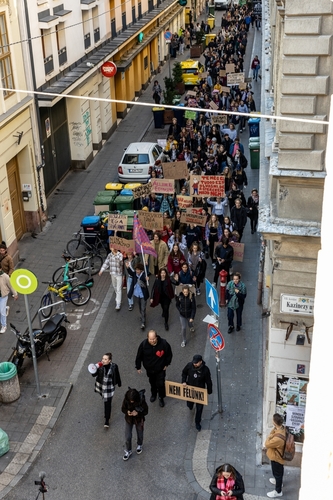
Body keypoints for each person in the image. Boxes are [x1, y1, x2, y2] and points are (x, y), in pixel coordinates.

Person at [135, 329, 173, 407]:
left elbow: (169, 354)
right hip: (149, 369)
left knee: (161, 384)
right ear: (147, 338)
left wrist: (166, 364)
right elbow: (139, 356)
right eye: (150, 339)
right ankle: (154, 394)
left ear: (156, 337)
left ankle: (161, 397)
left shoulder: (163, 344)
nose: (152, 341)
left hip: (160, 369)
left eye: (153, 339)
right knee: (152, 383)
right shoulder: (143, 345)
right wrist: (138, 367)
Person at [181, 354, 212, 431]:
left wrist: (209, 390)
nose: (195, 364)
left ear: (200, 362)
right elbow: (184, 373)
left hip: (200, 391)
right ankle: (190, 405)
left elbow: (208, 381)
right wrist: (183, 381)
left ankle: (197, 422)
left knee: (199, 409)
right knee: (190, 403)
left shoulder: (205, 370)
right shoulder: (189, 366)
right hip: (190, 388)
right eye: (194, 362)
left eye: (196, 363)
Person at [92, 352, 122, 428]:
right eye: (102, 358)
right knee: (104, 398)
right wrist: (94, 369)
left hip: (109, 387)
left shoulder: (114, 366)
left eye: (105, 359)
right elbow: (94, 375)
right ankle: (104, 399)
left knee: (107, 403)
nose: (103, 360)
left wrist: (119, 382)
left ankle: (107, 419)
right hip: (101, 386)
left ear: (110, 361)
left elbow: (117, 374)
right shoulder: (99, 366)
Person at [121, 387, 148, 461]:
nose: (131, 401)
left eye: (132, 400)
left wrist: (138, 413)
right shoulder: (126, 400)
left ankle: (139, 444)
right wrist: (127, 412)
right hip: (129, 419)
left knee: (140, 433)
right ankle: (128, 450)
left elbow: (146, 411)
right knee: (127, 436)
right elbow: (123, 408)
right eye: (130, 400)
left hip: (138, 419)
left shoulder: (141, 400)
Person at [265, 413, 286, 498]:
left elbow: (267, 444)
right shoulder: (281, 428)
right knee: (278, 473)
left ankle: (278, 491)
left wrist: (270, 436)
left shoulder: (278, 439)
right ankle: (279, 482)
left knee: (277, 473)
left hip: (277, 458)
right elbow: (274, 432)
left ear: (274, 423)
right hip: (278, 457)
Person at [126, 262, 149, 330]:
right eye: (136, 270)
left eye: (138, 270)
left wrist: (147, 279)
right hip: (136, 294)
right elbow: (130, 272)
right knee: (139, 307)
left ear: (141, 270)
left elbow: (145, 281)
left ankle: (143, 322)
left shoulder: (144, 275)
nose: (137, 271)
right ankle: (142, 316)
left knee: (143, 308)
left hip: (143, 295)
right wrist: (128, 267)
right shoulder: (134, 274)